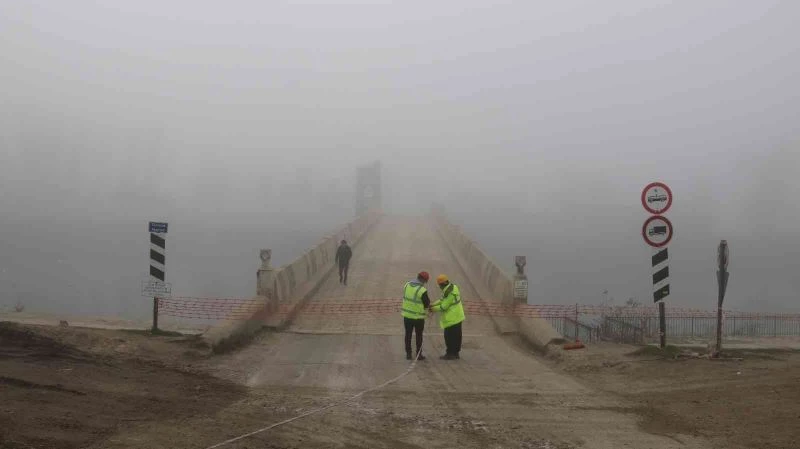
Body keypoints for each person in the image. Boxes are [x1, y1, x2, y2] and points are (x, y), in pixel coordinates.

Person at [429, 274, 465, 360]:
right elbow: (442, 300)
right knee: (457, 336)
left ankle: (450, 354)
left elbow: (443, 306)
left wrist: (433, 309)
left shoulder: (449, 292)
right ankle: (455, 353)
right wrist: (433, 304)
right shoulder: (452, 287)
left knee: (449, 337)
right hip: (457, 316)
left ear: (441, 284)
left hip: (452, 318)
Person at [401, 271, 431, 361]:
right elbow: (427, 303)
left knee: (408, 335)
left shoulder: (406, 285)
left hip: (407, 316)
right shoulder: (422, 290)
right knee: (419, 336)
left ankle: (408, 354)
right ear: (424, 280)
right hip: (418, 318)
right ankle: (419, 354)